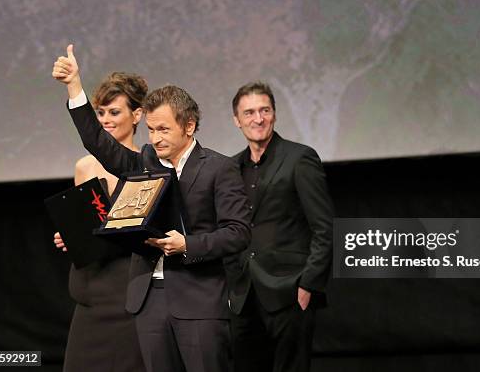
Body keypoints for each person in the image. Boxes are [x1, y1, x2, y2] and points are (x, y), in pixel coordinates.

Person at [52, 45, 251, 372]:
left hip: (198, 301)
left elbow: (238, 233)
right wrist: (75, 86)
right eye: (152, 130)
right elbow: (98, 144)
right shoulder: (144, 162)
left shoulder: (219, 168)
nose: (155, 138)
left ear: (188, 127)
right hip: (148, 301)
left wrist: (188, 245)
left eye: (164, 130)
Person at [225, 81, 334, 372]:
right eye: (248, 113)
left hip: (289, 290)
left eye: (264, 110)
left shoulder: (300, 158)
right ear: (237, 120)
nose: (257, 119)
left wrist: (308, 284)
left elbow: (324, 227)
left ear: (274, 114)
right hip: (244, 295)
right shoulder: (230, 168)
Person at [53, 71, 147, 371]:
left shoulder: (147, 166)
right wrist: (69, 236)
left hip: (126, 290)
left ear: (137, 115)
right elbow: (84, 226)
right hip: (91, 290)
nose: (106, 119)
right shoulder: (84, 166)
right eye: (101, 112)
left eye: (114, 112)